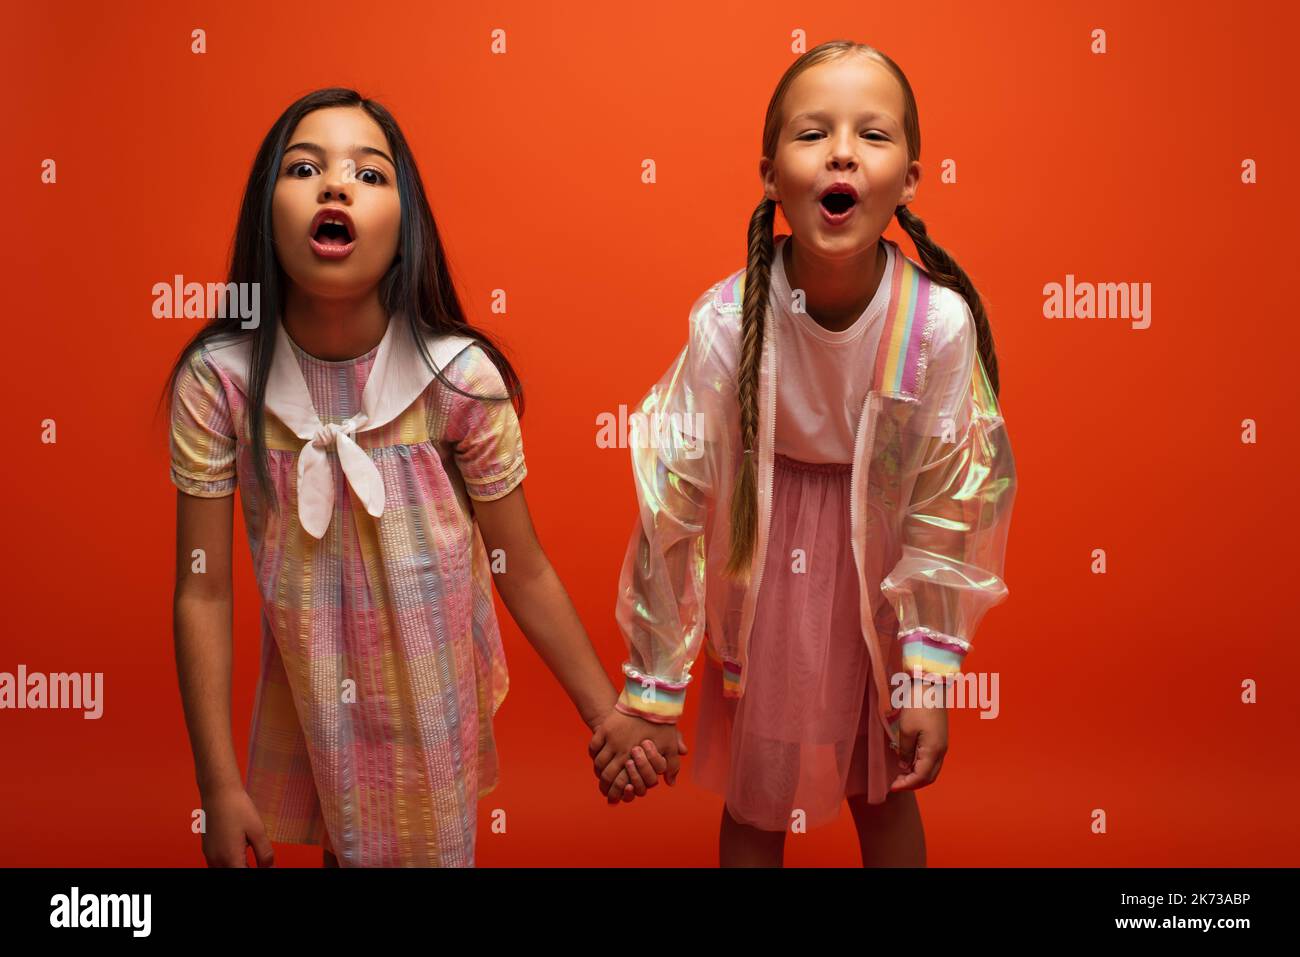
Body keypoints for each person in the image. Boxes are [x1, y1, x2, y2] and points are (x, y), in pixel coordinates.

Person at [164, 88, 679, 868]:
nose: (335, 184)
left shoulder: (458, 377)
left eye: (369, 175)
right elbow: (201, 589)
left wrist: (607, 711)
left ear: (406, 229)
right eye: (305, 168)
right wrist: (217, 784)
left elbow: (523, 564)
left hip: (427, 691)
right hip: (311, 686)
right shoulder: (221, 380)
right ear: (264, 214)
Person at [600, 41, 1018, 866]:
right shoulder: (729, 323)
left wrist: (926, 680)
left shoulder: (935, 327)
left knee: (885, 789)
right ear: (769, 174)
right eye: (812, 133)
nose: (841, 152)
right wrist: (654, 686)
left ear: (910, 180)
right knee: (759, 797)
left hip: (883, 568)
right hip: (770, 566)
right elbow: (672, 496)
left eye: (873, 134)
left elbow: (951, 504)